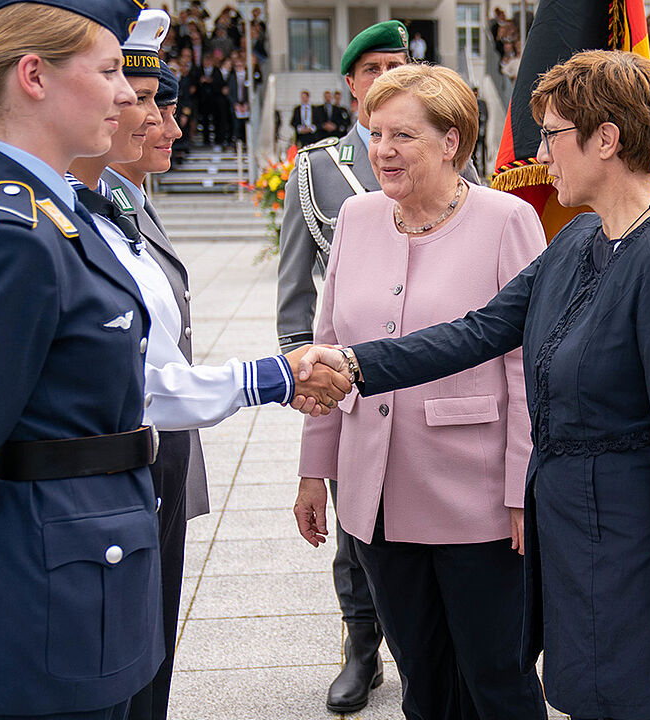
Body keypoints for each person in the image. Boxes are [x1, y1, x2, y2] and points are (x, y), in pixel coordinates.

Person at [0, 2, 348, 719]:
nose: (126, 94)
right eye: (111, 70)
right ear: (33, 77)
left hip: (91, 580)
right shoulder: (10, 232)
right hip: (44, 600)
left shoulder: (62, 213)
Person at [296, 49, 650, 720]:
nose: (541, 154)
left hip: (630, 547)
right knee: (579, 695)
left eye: (551, 134)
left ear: (605, 138)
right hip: (573, 535)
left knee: (630, 702)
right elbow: (476, 332)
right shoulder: (581, 238)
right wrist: (352, 366)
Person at [294, 64, 548, 720]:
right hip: (376, 497)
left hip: (476, 498)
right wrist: (314, 472)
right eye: (376, 133)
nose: (382, 149)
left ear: (451, 142)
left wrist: (522, 485)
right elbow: (328, 349)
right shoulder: (356, 216)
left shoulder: (507, 219)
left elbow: (528, 364)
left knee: (497, 677)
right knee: (422, 681)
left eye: (402, 134)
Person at [275, 20, 408, 714]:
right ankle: (362, 649)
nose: (387, 77)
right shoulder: (317, 168)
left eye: (399, 64)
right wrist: (308, 379)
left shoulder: (448, 156)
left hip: (428, 372)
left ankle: (421, 644)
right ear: (350, 85)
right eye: (373, 68)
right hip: (350, 374)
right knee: (354, 528)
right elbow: (298, 295)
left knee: (427, 519)